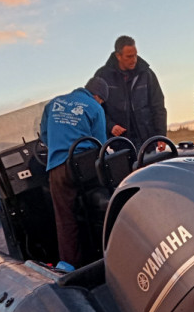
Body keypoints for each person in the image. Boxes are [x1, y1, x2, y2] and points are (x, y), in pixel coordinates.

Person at [39, 77, 109, 268]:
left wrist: (59, 147)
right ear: (98, 96)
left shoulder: (54, 103)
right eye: (102, 100)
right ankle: (105, 252)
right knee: (97, 204)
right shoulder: (95, 108)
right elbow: (100, 144)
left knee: (65, 218)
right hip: (85, 167)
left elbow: (44, 135)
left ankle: (70, 266)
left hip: (58, 167)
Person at [94, 35, 167, 150]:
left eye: (135, 55)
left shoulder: (147, 74)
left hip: (147, 142)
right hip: (119, 144)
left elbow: (158, 106)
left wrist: (161, 135)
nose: (134, 60)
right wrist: (110, 126)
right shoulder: (102, 76)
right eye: (129, 56)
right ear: (118, 56)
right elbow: (95, 108)